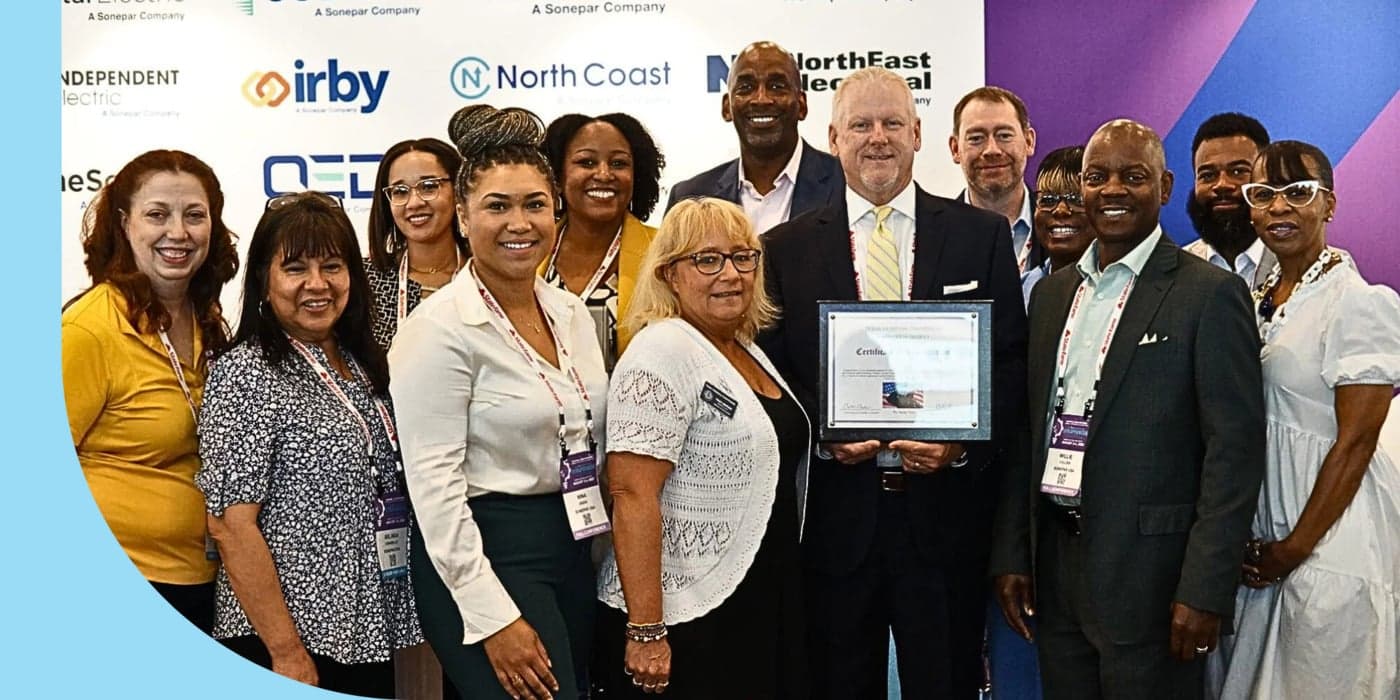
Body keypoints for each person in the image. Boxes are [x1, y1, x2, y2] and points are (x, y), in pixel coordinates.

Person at [760, 67, 1029, 699]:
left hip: (946, 521)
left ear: (917, 132)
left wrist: (962, 446)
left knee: (947, 682)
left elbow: (1011, 364)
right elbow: (773, 381)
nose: (876, 138)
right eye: (860, 125)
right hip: (833, 521)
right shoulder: (784, 249)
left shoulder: (979, 237)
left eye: (890, 124)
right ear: (832, 137)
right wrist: (822, 438)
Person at [989, 119, 1265, 700]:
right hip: (1057, 566)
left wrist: (1204, 588)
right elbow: (1029, 431)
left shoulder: (1208, 294)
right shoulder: (1051, 293)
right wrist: (1014, 552)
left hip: (1156, 580)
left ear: (1164, 188)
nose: (1112, 190)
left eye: (1132, 177)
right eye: (1097, 177)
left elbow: (1233, 452)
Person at [389, 104, 608, 700]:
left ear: (556, 213)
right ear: (462, 217)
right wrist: (491, 616)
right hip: (485, 550)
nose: (520, 222)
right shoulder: (438, 328)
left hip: (570, 543)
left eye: (535, 204)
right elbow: (433, 488)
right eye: (497, 206)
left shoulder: (570, 314)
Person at [196, 191, 422, 697]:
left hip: (363, 627)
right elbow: (231, 525)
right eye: (295, 268)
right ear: (263, 280)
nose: (317, 285)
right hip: (288, 637)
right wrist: (285, 650)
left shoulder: (362, 362)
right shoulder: (245, 373)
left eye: (333, 266)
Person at [594, 197, 810, 698]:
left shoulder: (743, 348)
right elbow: (631, 495)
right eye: (707, 260)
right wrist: (646, 631)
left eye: (742, 257)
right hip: (684, 614)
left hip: (755, 601)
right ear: (670, 274)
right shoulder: (661, 352)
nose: (730, 274)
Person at [1208, 141, 1400, 699]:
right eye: (1264, 194)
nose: (1280, 208)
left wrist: (1295, 548)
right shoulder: (1252, 298)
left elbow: (1357, 442)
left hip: (1330, 544)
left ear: (1329, 204)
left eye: (1298, 193)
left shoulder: (1358, 302)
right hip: (1262, 549)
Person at [63, 149, 239, 634]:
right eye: (157, 215)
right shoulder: (89, 329)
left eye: (194, 216)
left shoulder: (205, 320)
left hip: (203, 579)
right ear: (124, 224)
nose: (178, 233)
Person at [665, 40, 844, 233]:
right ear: (727, 107)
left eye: (776, 86)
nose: (761, 99)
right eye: (746, 87)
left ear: (801, 105)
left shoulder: (844, 182)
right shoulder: (690, 197)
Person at [541, 112, 663, 367]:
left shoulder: (665, 252)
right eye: (586, 162)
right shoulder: (530, 251)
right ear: (557, 178)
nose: (604, 174)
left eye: (619, 164)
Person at [365, 137, 468, 350]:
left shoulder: (484, 274)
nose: (414, 203)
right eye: (400, 192)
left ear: (458, 191)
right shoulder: (365, 281)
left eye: (429, 187)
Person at [949, 86, 1046, 286]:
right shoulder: (933, 238)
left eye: (1004, 135)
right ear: (955, 148)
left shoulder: (1064, 228)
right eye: (976, 138)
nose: (992, 150)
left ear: (1029, 141)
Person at [1183, 113, 1274, 288]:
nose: (1222, 185)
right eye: (1208, 175)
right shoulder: (1175, 275)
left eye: (1238, 171)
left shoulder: (1308, 269)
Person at [1021, 145, 1094, 300]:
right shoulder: (1019, 292)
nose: (1060, 210)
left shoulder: (1125, 289)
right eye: (1048, 200)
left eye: (1076, 199)